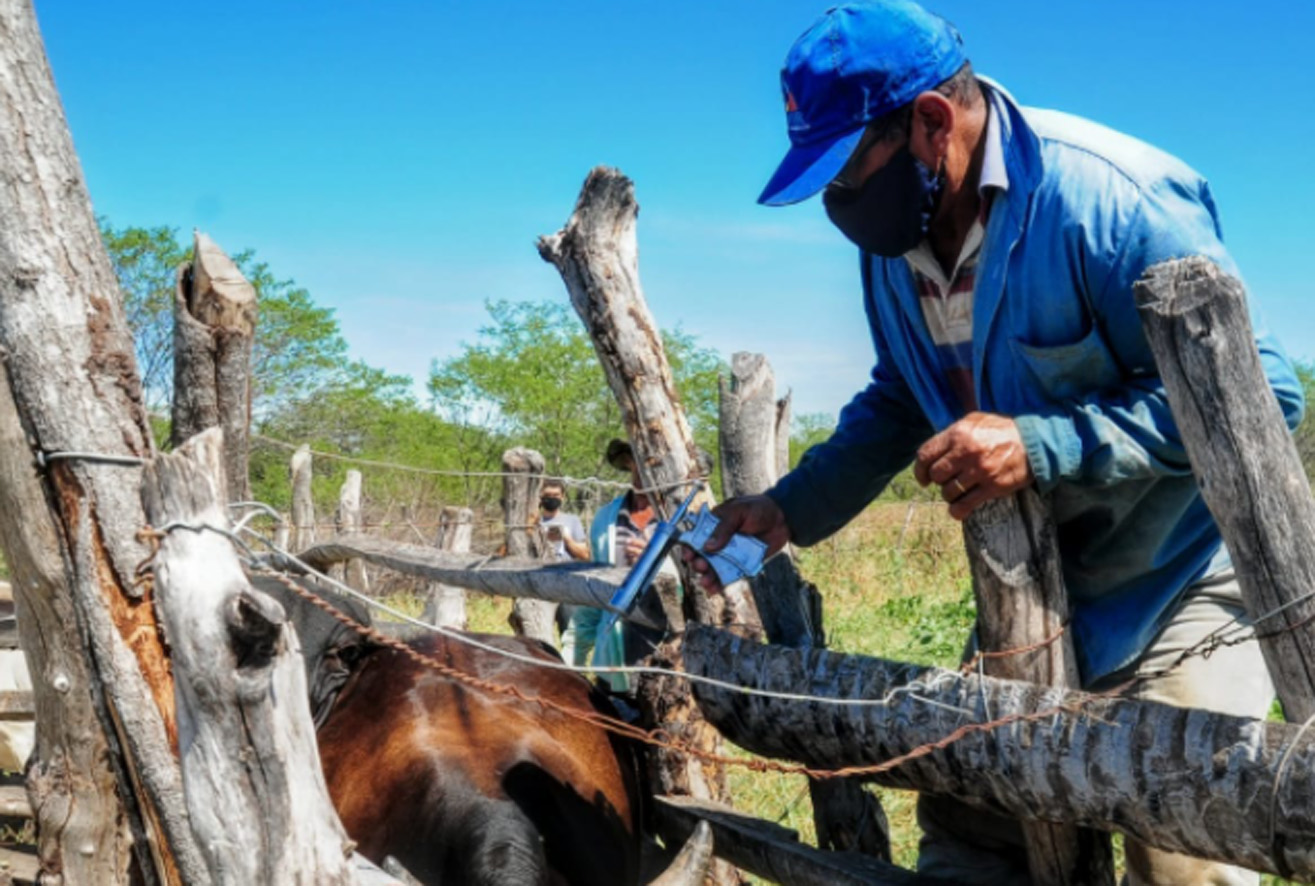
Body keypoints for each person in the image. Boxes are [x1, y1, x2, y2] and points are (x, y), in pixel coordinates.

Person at [687, 4, 1305, 885]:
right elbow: (902, 395)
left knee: (1186, 851)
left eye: (847, 171)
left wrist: (1045, 444)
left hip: (1175, 583)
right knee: (976, 820)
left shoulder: (1110, 200)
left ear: (931, 122)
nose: (838, 203)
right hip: (1030, 590)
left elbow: (1265, 399)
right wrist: (787, 508)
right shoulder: (897, 241)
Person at [561, 438, 675, 694]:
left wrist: (658, 561)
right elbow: (593, 591)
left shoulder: (687, 519)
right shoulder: (605, 518)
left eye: (652, 460)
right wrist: (570, 664)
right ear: (627, 461)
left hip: (671, 672)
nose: (643, 467)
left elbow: (704, 592)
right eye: (637, 457)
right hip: (612, 667)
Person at [536, 478, 589, 563]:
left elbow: (585, 555)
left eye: (556, 495)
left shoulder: (573, 520)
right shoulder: (533, 522)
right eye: (548, 495)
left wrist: (566, 538)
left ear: (562, 497)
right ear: (541, 497)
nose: (551, 498)